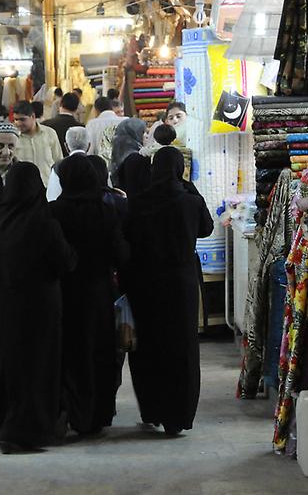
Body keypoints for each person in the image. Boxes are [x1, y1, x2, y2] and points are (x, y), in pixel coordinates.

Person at [0, 162, 78, 453]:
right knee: (37, 368)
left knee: (7, 366)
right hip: (39, 309)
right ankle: (30, 431)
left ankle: (5, 425)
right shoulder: (43, 222)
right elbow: (65, 261)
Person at [122, 147, 213, 435]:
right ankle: (179, 415)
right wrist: (189, 187)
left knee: (150, 346)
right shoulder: (188, 201)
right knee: (181, 347)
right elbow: (206, 228)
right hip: (180, 283)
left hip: (145, 283)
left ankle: (153, 409)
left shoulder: (137, 203)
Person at [50, 156, 129, 436]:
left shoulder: (54, 212)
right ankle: (100, 414)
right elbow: (120, 253)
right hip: (100, 292)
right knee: (101, 352)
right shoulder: (106, 211)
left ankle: (77, 414)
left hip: (65, 293)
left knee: (72, 354)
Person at [13, 100, 63, 185]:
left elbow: (58, 162)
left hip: (48, 188)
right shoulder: (13, 138)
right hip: (23, 189)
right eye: (16, 119)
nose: (18, 123)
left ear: (32, 116)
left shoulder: (50, 133)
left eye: (22, 119)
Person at [46, 126, 91, 202]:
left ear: (66, 146)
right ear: (89, 146)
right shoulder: (98, 164)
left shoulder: (58, 167)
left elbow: (52, 197)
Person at [42, 91, 83, 156]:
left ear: (60, 104)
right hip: (74, 163)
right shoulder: (81, 128)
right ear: (77, 108)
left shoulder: (45, 125)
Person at [110, 118, 147, 185]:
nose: (146, 136)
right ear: (135, 133)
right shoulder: (135, 157)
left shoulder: (118, 151)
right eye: (143, 132)